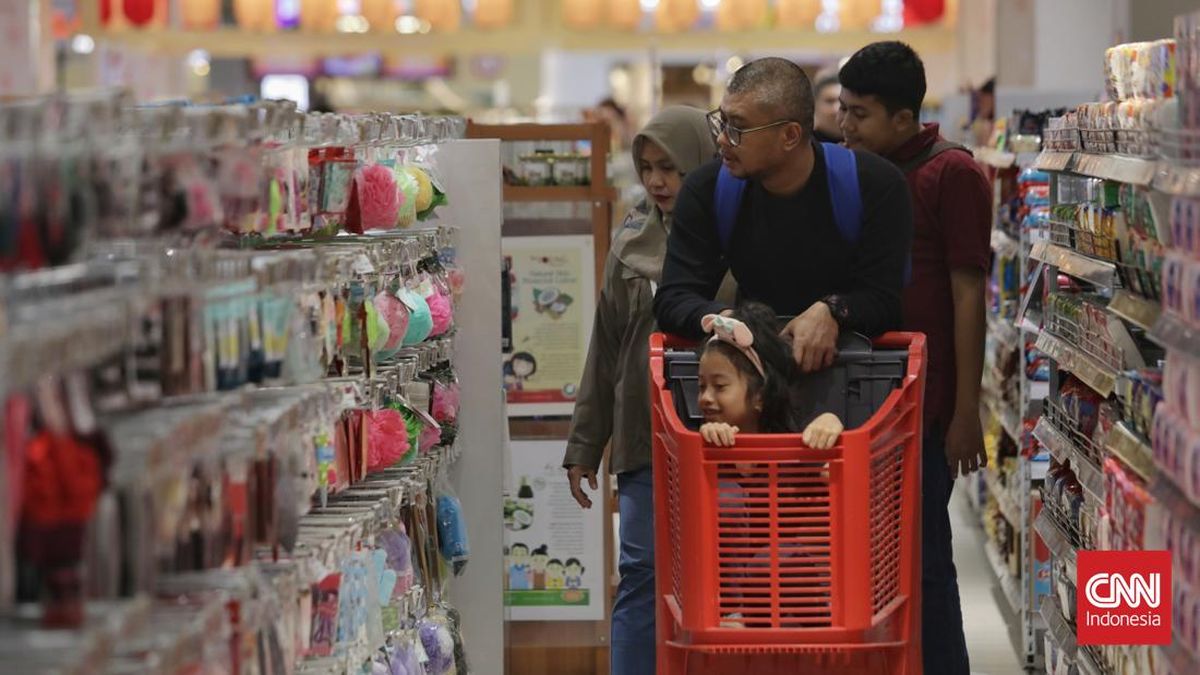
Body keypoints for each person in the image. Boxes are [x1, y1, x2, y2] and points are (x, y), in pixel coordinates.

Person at [838, 40, 992, 675]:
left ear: (904, 117)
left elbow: (968, 293)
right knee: (873, 561)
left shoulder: (952, 174)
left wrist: (966, 412)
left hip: (925, 406)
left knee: (925, 559)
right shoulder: (855, 172)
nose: (845, 125)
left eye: (860, 114)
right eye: (843, 110)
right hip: (862, 398)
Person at [561, 105, 717, 675]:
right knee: (642, 574)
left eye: (670, 168)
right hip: (641, 433)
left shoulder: (737, 232)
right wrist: (584, 443)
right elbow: (606, 345)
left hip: (722, 438)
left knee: (723, 578)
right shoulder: (630, 238)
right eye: (647, 167)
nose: (657, 181)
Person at [653, 57, 914, 374]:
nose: (722, 139)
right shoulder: (708, 188)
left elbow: (885, 299)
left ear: (790, 135)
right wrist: (729, 321)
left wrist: (833, 311)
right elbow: (673, 298)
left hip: (856, 377)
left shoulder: (873, 184)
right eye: (722, 122)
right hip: (753, 378)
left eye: (738, 128)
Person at [696, 302, 843, 449]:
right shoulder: (704, 442)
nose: (705, 397)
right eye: (701, 386)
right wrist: (709, 442)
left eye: (719, 386)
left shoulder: (795, 446)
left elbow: (826, 457)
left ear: (760, 395)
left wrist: (829, 424)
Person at [812, 68, 843, 144]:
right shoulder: (802, 146)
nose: (837, 109)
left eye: (842, 102)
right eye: (830, 101)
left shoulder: (865, 145)